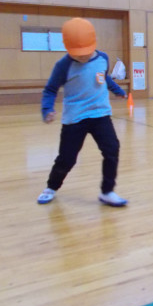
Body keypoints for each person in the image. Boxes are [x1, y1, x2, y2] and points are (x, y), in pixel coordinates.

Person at [37, 17, 129, 207]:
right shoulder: (64, 65)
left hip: (100, 114)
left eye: (85, 53)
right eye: (77, 54)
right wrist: (47, 109)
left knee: (112, 149)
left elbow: (104, 77)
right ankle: (51, 187)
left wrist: (117, 90)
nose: (82, 57)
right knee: (67, 159)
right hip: (75, 118)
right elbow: (50, 89)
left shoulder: (102, 58)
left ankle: (107, 191)